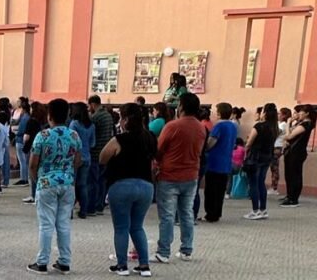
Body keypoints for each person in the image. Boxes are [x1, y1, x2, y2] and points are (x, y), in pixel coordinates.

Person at [26, 99, 81, 274]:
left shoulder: (42, 136)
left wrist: (37, 181)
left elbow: (33, 164)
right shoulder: (74, 135)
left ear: (49, 116)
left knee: (46, 224)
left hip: (46, 182)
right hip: (67, 182)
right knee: (64, 223)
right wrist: (70, 175)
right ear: (67, 115)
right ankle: (64, 261)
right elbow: (78, 161)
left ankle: (42, 262)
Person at [100, 102, 155, 277]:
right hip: (146, 186)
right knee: (137, 226)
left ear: (124, 120)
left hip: (122, 185)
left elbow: (102, 158)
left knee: (122, 227)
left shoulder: (119, 139)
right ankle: (144, 265)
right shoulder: (150, 138)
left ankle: (122, 265)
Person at [154, 92, 205, 263]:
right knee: (186, 213)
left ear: (181, 107)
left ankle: (164, 251)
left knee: (167, 215)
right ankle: (187, 250)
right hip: (191, 175)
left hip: (169, 175)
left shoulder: (172, 126)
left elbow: (159, 149)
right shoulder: (200, 127)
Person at [243, 103, 279, 220]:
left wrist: (245, 151)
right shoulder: (274, 128)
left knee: (253, 183)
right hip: (267, 156)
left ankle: (255, 210)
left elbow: (249, 142)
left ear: (265, 113)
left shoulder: (259, 126)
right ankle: (263, 209)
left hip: (255, 157)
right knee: (261, 183)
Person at [203, 102, 238, 222]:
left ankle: (210, 214)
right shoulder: (233, 126)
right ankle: (217, 212)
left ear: (219, 113)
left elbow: (211, 142)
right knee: (220, 191)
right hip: (226, 161)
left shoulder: (218, 126)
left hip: (214, 162)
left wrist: (205, 147)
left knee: (211, 190)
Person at [280, 105, 316, 207]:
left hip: (296, 152)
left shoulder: (305, 124)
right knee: (289, 174)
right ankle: (289, 195)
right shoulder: (301, 123)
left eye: (300, 112)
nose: (298, 114)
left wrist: (288, 124)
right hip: (293, 151)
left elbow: (289, 136)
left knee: (294, 175)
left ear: (307, 113)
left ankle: (293, 198)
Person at [89, 95, 115, 214]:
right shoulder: (108, 115)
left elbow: (92, 133)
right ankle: (100, 204)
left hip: (96, 152)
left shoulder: (96, 117)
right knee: (103, 180)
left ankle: (94, 204)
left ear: (93, 104)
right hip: (107, 151)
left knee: (94, 180)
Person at [69, 102, 95, 219]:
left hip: (74, 158)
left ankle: (69, 211)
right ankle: (83, 210)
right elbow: (93, 143)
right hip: (87, 157)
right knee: (83, 185)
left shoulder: (74, 124)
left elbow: (70, 141)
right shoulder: (91, 125)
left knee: (72, 184)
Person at [271, 107, 291, 194]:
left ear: (284, 116)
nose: (278, 115)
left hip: (277, 147)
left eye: (279, 114)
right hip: (275, 146)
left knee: (274, 167)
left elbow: (275, 133)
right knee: (273, 167)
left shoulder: (283, 125)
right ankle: (273, 186)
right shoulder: (279, 123)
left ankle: (274, 187)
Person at [15, 98, 32, 185]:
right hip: (26, 140)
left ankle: (23, 178)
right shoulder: (29, 117)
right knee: (25, 160)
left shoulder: (24, 118)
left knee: (22, 161)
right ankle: (25, 178)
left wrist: (16, 133)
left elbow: (21, 129)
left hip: (20, 139)